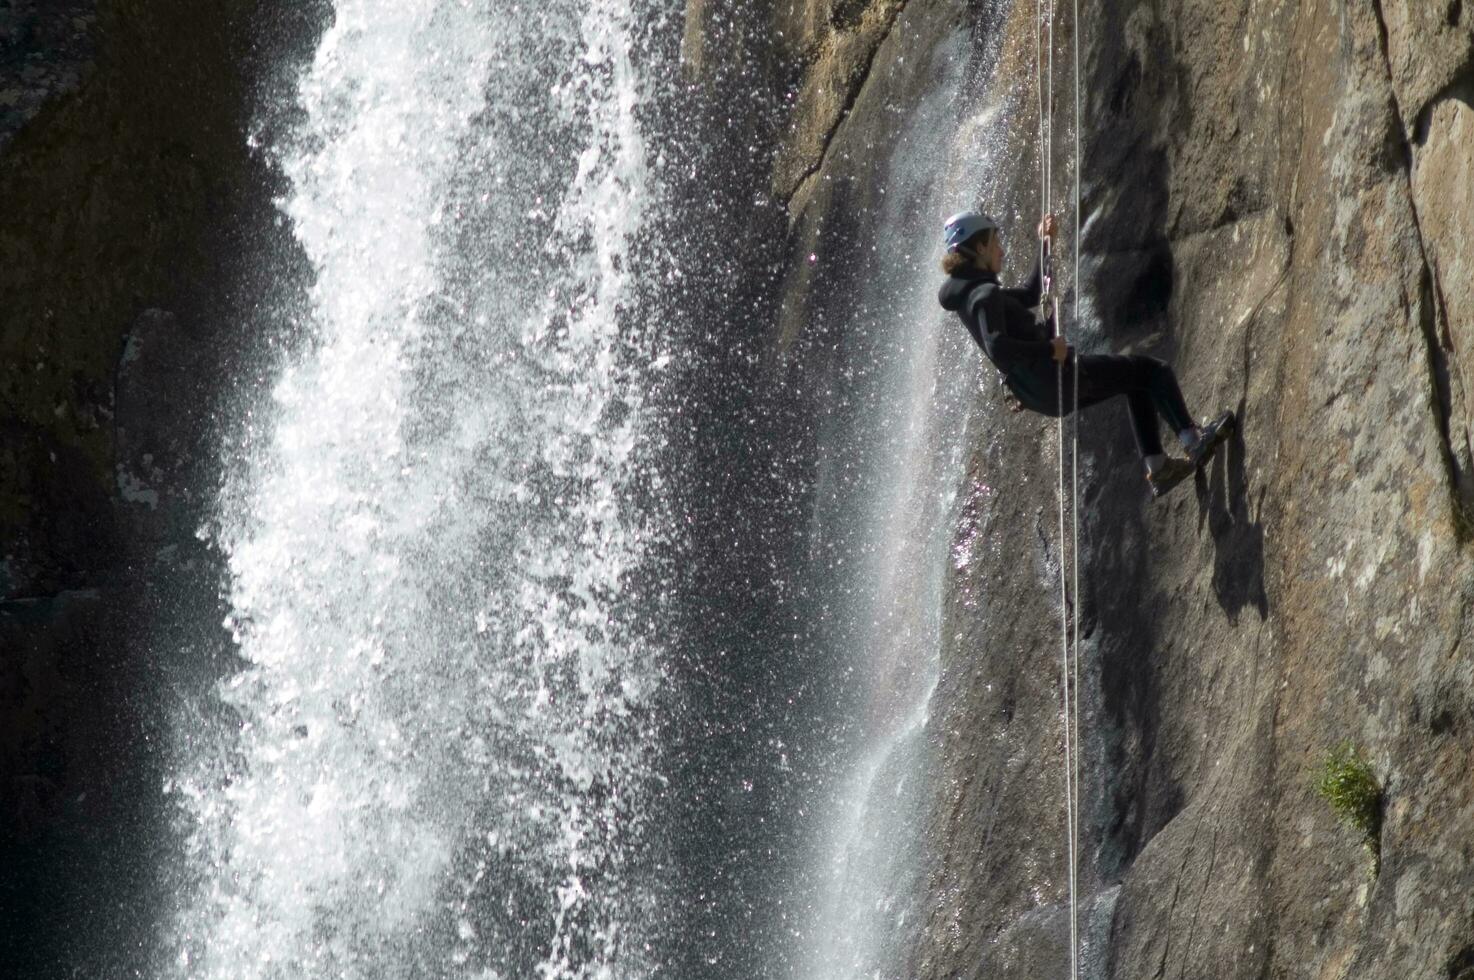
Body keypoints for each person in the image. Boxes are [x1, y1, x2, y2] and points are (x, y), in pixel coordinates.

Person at [937, 210, 1232, 497]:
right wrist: (1049, 348)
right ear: (979, 247)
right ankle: (1193, 441)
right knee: (1154, 371)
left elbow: (1030, 294)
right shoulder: (984, 295)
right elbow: (997, 347)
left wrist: (1045, 243)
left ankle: (1159, 468)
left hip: (1042, 389)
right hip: (1053, 377)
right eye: (995, 242)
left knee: (1135, 381)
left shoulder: (975, 295)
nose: (1001, 249)